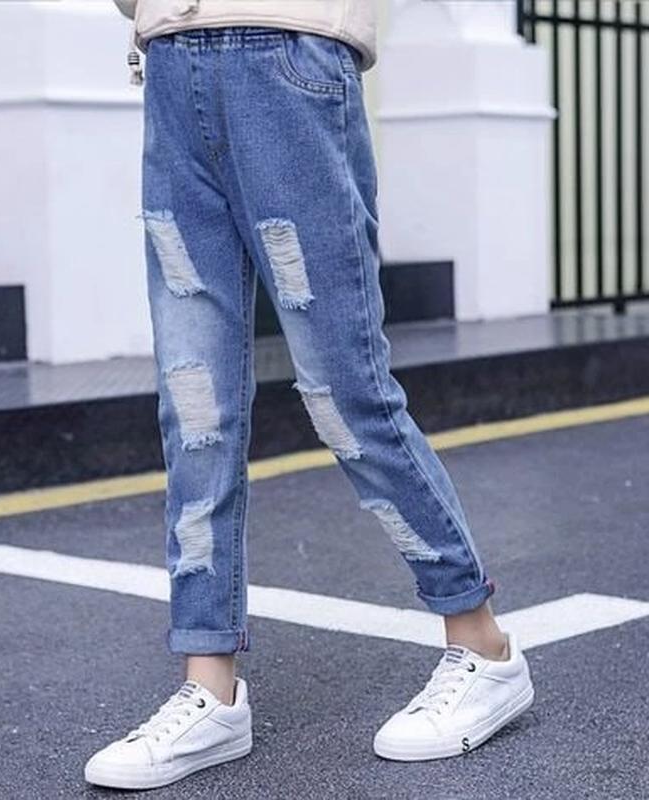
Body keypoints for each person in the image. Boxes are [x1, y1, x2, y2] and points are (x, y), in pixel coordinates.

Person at [85, 0, 534, 790]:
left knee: (345, 391)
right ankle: (211, 687)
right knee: (195, 408)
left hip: (286, 58)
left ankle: (483, 646)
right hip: (172, 64)